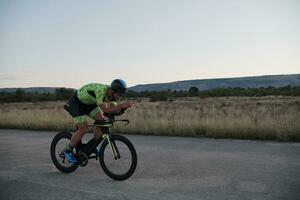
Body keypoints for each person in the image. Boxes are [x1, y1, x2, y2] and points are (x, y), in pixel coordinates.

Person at [63, 79, 134, 164]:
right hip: (77, 102)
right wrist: (121, 105)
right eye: (119, 94)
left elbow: (112, 111)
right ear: (112, 90)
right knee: (83, 128)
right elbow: (105, 110)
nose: (120, 97)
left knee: (101, 121)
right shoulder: (101, 91)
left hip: (89, 104)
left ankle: (92, 146)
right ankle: (68, 151)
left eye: (122, 94)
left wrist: (123, 108)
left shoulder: (112, 97)